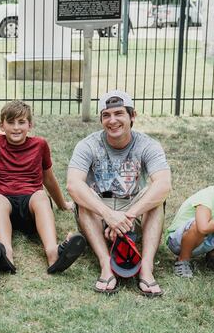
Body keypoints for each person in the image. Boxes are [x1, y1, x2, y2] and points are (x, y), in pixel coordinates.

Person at [66, 90, 171, 297]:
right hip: (98, 213)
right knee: (83, 194)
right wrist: (108, 215)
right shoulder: (88, 145)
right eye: (106, 115)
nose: (112, 121)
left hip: (132, 212)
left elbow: (164, 184)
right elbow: (72, 185)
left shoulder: (148, 145)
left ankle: (147, 269)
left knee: (156, 196)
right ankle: (106, 266)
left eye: (119, 114)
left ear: (132, 116)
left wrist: (127, 216)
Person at [0, 101, 85, 275]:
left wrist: (62, 204)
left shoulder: (40, 145)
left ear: (30, 125)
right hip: (2, 207)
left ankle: (53, 253)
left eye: (21, 122)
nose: (16, 127)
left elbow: (48, 179)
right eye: (10, 122)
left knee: (41, 196)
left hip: (31, 210)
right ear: (1, 125)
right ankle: (5, 254)